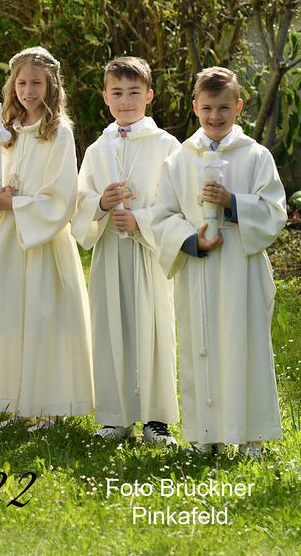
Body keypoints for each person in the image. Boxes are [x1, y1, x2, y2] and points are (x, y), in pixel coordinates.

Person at [149, 67, 286, 458]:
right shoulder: (179, 160)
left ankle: (251, 436)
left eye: (224, 107)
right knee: (201, 345)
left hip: (242, 270)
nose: (215, 116)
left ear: (238, 107)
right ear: (195, 108)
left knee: (246, 346)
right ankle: (205, 434)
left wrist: (233, 203)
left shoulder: (255, 156)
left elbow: (274, 211)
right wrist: (192, 240)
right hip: (200, 269)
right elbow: (162, 217)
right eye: (207, 108)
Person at [0, 47, 92, 432]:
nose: (27, 90)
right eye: (21, 83)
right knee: (11, 317)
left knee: (45, 319)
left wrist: (17, 203)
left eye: (36, 83)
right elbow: (10, 180)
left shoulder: (59, 133)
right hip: (11, 235)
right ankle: (18, 403)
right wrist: (0, 198)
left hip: (44, 239)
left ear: (51, 86)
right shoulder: (8, 132)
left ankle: (48, 407)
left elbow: (61, 196)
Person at [71, 57, 181, 444]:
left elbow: (178, 204)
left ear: (149, 95)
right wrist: (101, 204)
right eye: (117, 93)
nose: (126, 101)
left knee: (154, 329)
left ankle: (156, 419)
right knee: (109, 329)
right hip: (110, 252)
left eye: (134, 92)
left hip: (149, 254)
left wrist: (141, 220)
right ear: (105, 97)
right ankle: (114, 417)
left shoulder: (167, 146)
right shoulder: (97, 149)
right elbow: (80, 201)